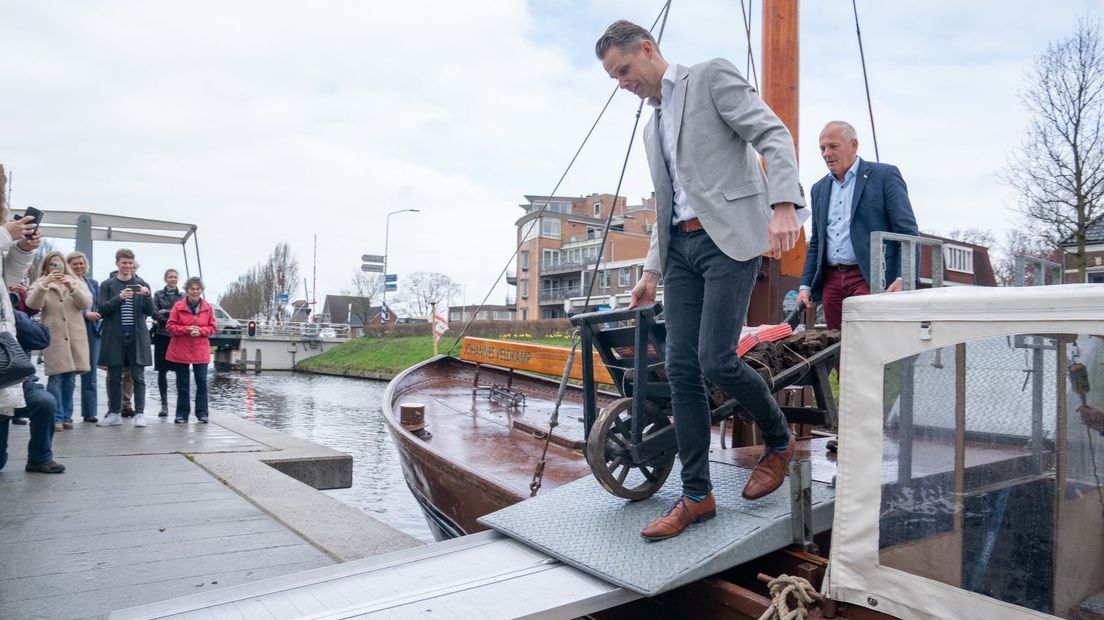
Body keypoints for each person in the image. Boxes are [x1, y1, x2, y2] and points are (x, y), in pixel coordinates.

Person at [595, 20, 805, 541]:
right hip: (680, 251)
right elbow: (667, 204)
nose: (622, 83)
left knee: (716, 360)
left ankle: (779, 441)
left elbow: (772, 134)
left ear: (647, 49)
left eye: (624, 70)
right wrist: (649, 270)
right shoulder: (651, 127)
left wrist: (784, 205)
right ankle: (696, 496)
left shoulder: (709, 78)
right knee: (681, 368)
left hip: (727, 239)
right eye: (614, 78)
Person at [796, 121, 919, 330]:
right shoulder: (819, 189)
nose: (826, 153)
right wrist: (805, 285)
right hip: (831, 281)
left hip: (870, 277)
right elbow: (817, 242)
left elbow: (907, 232)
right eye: (822, 148)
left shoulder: (884, 176)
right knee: (837, 348)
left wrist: (903, 278)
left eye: (833, 146)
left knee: (866, 342)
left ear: (853, 145)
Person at [0, 209, 63, 473]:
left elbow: (9, 277)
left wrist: (23, 249)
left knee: (45, 401)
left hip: (6, 365)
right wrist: (4, 234)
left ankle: (39, 457)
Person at [25, 250, 92, 431]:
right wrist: (44, 285)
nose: (57, 266)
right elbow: (33, 305)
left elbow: (86, 304)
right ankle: (56, 417)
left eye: (59, 263)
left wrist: (72, 288)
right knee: (55, 378)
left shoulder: (76, 282)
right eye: (52, 263)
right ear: (47, 266)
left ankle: (67, 416)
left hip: (75, 337)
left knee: (70, 379)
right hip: (54, 338)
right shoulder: (40, 283)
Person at [0, 306, 65, 474]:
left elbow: (41, 340)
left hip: (18, 382)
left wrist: (13, 318)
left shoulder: (9, 315)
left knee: (44, 401)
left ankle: (40, 458)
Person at [96, 248, 154, 428]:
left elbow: (150, 311)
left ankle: (140, 414)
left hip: (136, 336)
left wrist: (147, 296)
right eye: (124, 263)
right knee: (113, 376)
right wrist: (119, 298)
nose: (127, 266)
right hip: (114, 336)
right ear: (117, 264)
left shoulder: (141, 283)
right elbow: (102, 309)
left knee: (138, 376)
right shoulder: (107, 285)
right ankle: (114, 413)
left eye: (130, 263)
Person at [166, 277, 215, 424]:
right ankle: (182, 414)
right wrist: (186, 330)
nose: (195, 291)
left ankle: (202, 413)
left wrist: (201, 331)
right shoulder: (178, 306)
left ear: (201, 290)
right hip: (181, 349)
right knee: (183, 383)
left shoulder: (207, 308)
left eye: (198, 289)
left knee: (202, 382)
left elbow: (212, 327)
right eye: (192, 289)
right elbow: (170, 326)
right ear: (187, 290)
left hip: (200, 350)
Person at [67, 251, 101, 423]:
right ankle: (66, 413)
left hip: (92, 330)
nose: (79, 266)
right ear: (69, 265)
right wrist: (85, 314)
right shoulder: (65, 282)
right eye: (75, 264)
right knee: (70, 371)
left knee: (91, 372)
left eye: (81, 263)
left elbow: (99, 304)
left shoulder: (92, 283)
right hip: (74, 329)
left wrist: (97, 316)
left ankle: (90, 412)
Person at [152, 268, 183, 417]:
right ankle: (164, 403)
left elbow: (183, 315)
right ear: (166, 279)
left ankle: (180, 402)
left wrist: (166, 312)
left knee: (180, 370)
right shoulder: (158, 294)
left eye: (175, 277)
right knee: (162, 371)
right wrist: (170, 317)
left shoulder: (183, 296)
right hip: (162, 335)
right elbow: (155, 313)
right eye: (170, 277)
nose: (173, 279)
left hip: (177, 337)